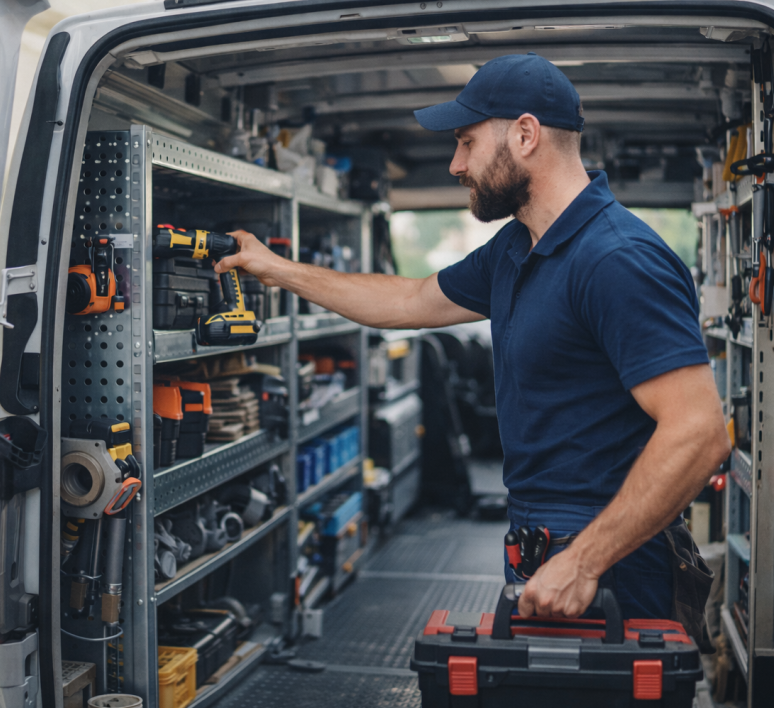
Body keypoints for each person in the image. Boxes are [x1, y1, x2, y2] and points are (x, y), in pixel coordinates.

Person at [216, 54, 730, 633]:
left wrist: (585, 560)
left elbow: (698, 432)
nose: (456, 164)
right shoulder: (517, 247)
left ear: (526, 134)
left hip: (613, 556)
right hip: (542, 539)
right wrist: (276, 268)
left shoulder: (616, 258)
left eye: (466, 142)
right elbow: (409, 300)